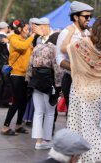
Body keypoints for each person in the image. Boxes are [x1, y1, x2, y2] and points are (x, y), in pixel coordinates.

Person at [66, 16, 101, 163]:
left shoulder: (84, 43)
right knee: (92, 127)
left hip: (80, 89)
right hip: (96, 92)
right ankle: (89, 159)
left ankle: (96, 159)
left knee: (77, 127)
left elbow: (67, 48)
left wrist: (72, 31)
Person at [26, 18, 62, 150]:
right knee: (50, 112)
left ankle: (38, 141)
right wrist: (59, 85)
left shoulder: (36, 48)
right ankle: (47, 139)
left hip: (35, 81)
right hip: (48, 82)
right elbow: (57, 68)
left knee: (38, 112)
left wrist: (29, 80)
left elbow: (29, 67)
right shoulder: (53, 48)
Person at [0, 19, 40, 136]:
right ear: (19, 29)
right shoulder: (14, 39)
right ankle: (5, 127)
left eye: (29, 29)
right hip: (16, 74)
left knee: (23, 101)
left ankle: (18, 125)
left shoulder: (25, 40)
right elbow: (22, 47)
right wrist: (32, 35)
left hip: (26, 75)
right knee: (17, 101)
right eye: (26, 29)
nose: (28, 31)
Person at [56, 1, 93, 108]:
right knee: (73, 115)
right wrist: (76, 67)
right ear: (76, 17)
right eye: (86, 16)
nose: (89, 19)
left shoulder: (87, 34)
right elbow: (59, 58)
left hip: (87, 79)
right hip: (71, 78)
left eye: (90, 16)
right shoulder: (66, 32)